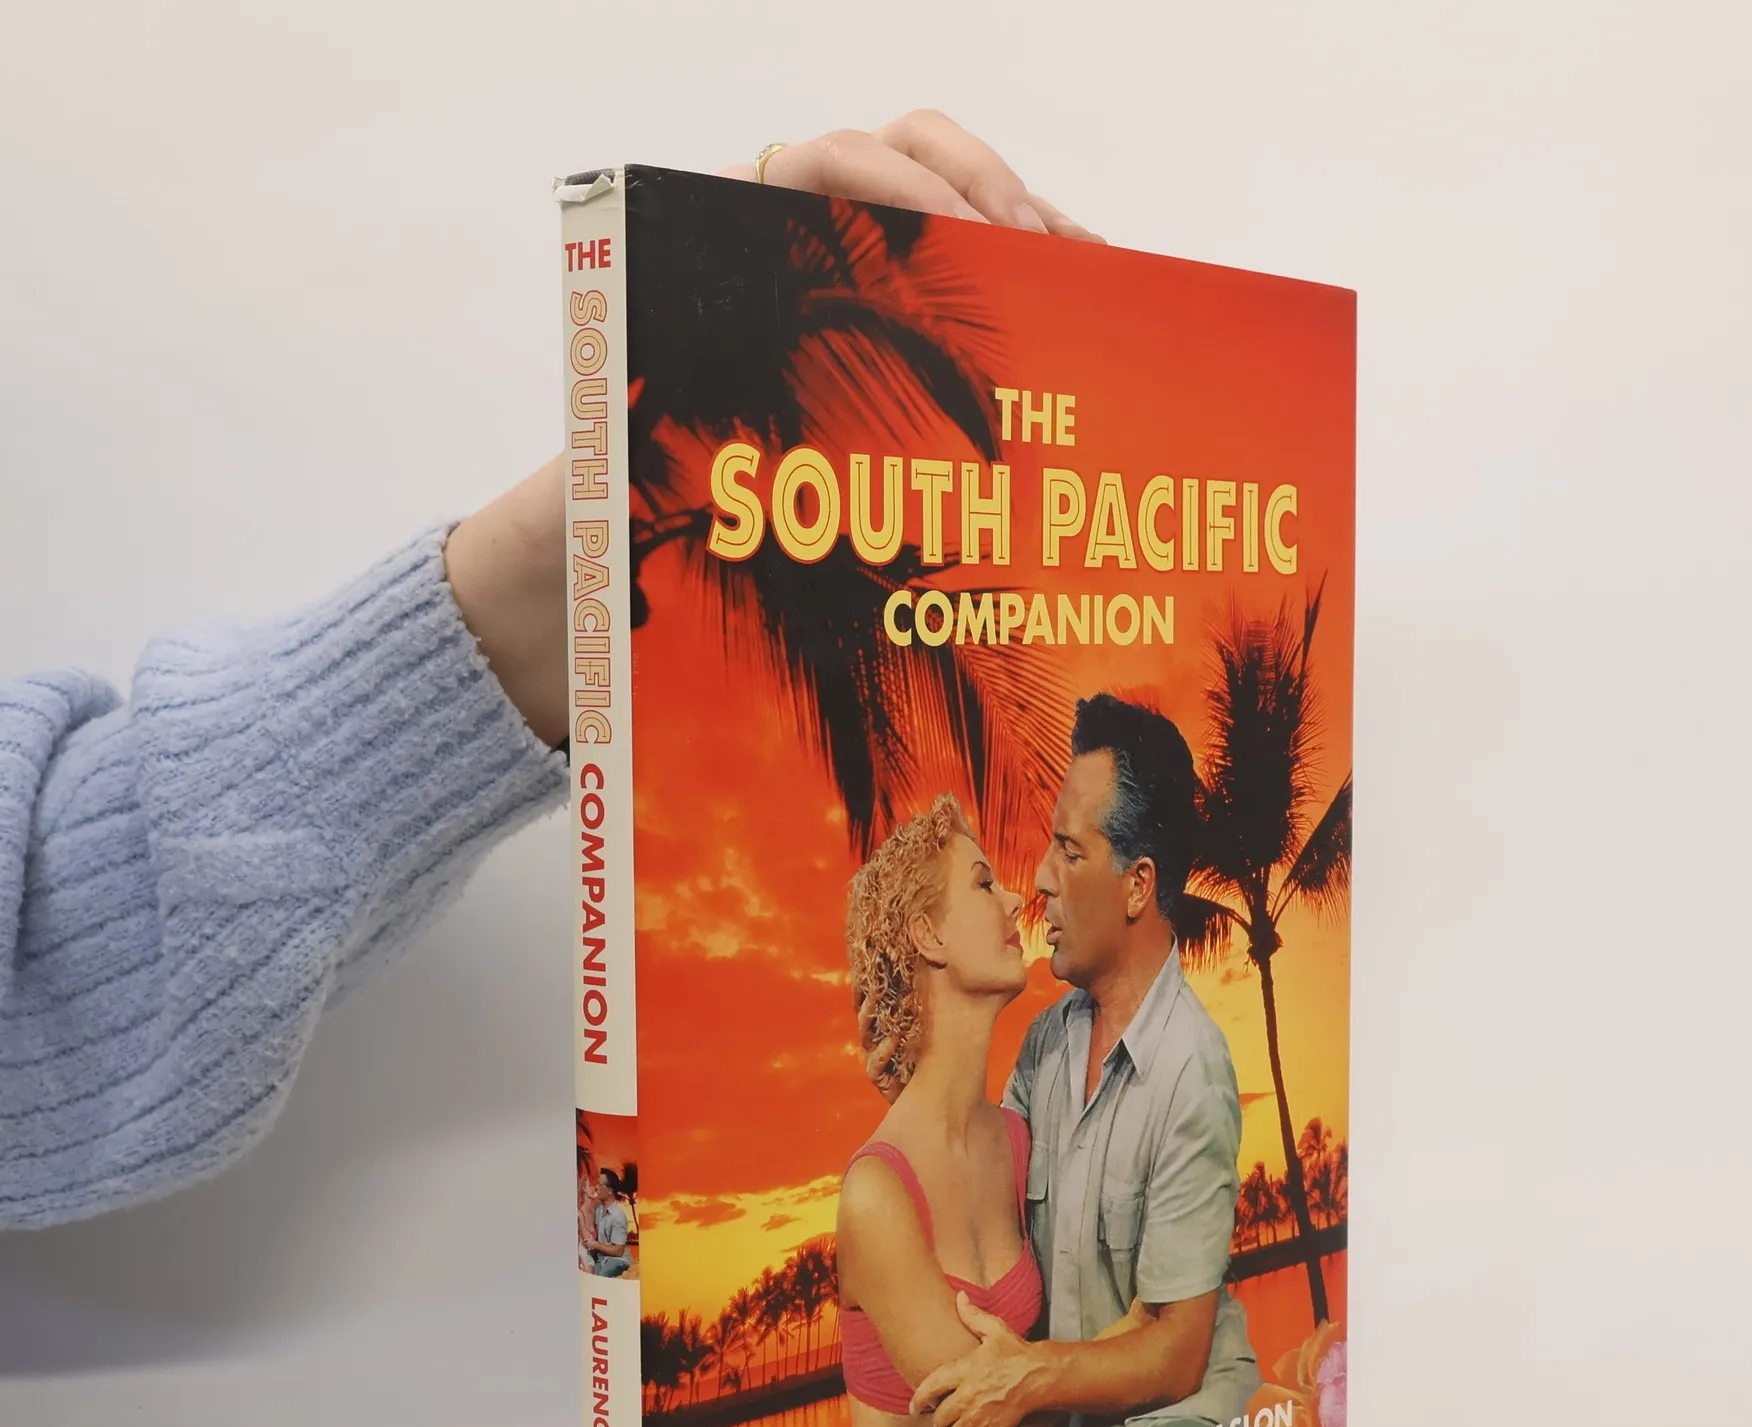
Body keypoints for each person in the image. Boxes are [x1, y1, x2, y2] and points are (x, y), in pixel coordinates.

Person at [0, 111, 1097, 1234]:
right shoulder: (888, 1184)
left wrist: (563, 559)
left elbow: (60, 920)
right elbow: (81, 976)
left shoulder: (1036, 1130)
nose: (1025, 890)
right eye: (984, 882)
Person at [869, 696, 1261, 1427]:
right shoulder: (1046, 1046)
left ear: (1137, 886)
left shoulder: (1192, 1070)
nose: (1039, 878)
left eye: (1070, 852)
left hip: (1173, 1425)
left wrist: (1029, 1379)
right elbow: (972, 1193)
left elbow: (1177, 1353)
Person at [810, 795, 1043, 1427]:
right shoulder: (877, 1191)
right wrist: (1130, 1364)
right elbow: (977, 1413)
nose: (1015, 900)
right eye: (983, 883)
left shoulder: (1018, 1141)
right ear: (928, 936)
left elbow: (1017, 1398)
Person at [582, 1168, 633, 1277]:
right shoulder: (598, 1209)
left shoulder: (618, 1216)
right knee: (592, 1276)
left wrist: (596, 1245)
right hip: (602, 1257)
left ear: (609, 1191)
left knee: (601, 1276)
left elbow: (618, 1251)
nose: (596, 1187)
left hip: (618, 1259)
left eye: (600, 1185)